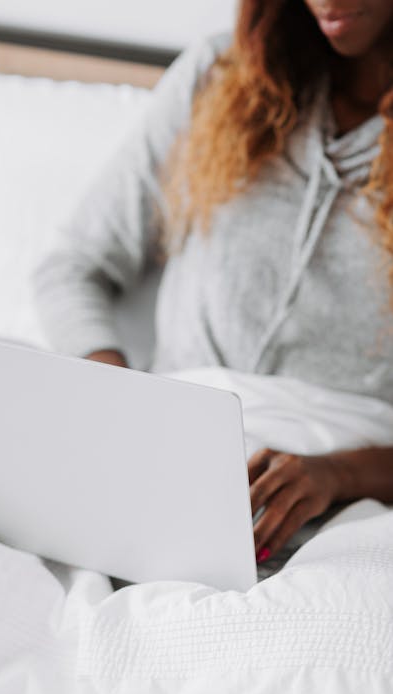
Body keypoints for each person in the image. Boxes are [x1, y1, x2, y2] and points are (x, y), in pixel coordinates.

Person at [33, 0, 393, 568]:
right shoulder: (220, 76)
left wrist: (338, 473)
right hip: (157, 463)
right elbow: (72, 267)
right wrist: (118, 404)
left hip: (347, 500)